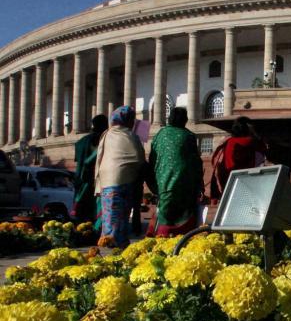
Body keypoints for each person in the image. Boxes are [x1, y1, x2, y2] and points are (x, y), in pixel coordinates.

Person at [94, 106, 147, 248]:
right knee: (121, 216)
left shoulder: (107, 134)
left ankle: (109, 241)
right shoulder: (130, 135)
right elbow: (138, 158)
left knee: (110, 215)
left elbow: (99, 158)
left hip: (107, 181)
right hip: (125, 181)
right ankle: (117, 244)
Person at [148, 107, 204, 237]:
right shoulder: (188, 136)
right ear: (185, 120)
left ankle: (161, 244)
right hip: (184, 187)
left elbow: (152, 160)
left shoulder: (159, 135)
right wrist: (199, 186)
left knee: (165, 219)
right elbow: (195, 163)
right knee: (184, 221)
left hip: (164, 184)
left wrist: (154, 183)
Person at [209, 116, 267, 202]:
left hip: (226, 186)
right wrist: (256, 135)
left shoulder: (227, 142)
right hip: (246, 187)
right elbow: (263, 153)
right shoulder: (251, 142)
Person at [72, 115, 108, 226]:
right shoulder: (101, 140)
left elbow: (78, 160)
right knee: (95, 212)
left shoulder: (80, 142)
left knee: (80, 213)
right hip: (94, 181)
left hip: (80, 179)